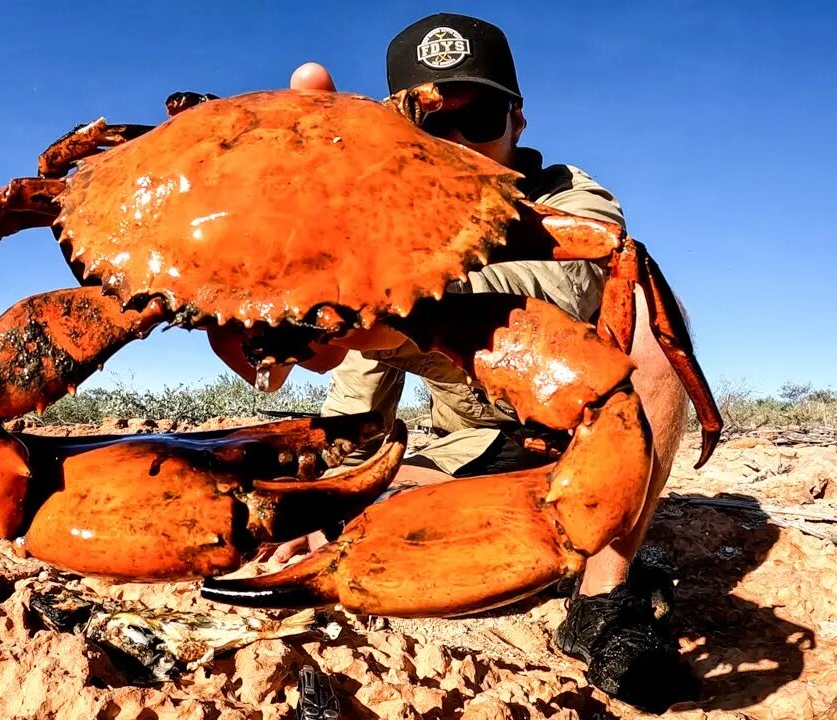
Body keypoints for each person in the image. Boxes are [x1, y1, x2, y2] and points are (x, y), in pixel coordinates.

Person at [279, 13, 701, 712]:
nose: (457, 146)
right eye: (429, 125)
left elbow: (564, 287)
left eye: (478, 119)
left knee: (659, 327)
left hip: (593, 444)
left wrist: (395, 304)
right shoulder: (383, 243)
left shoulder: (569, 197)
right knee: (340, 511)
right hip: (476, 453)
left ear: (518, 122)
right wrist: (323, 498)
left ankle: (602, 601)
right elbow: (360, 394)